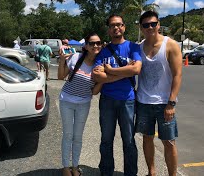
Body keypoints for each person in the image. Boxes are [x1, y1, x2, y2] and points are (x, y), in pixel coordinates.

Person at [92, 14, 142, 176]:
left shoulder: (133, 47)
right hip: (107, 100)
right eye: (113, 25)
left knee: (128, 141)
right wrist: (124, 72)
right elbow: (97, 76)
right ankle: (106, 172)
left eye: (119, 25)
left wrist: (111, 71)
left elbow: (135, 69)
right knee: (106, 140)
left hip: (127, 100)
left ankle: (131, 173)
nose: (116, 28)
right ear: (108, 29)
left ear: (124, 27)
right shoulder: (103, 51)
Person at [135, 11, 182, 176]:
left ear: (159, 25)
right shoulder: (139, 47)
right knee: (147, 138)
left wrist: (171, 103)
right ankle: (151, 172)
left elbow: (177, 75)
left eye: (153, 24)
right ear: (141, 27)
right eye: (146, 25)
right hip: (143, 101)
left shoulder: (171, 45)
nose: (150, 27)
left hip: (164, 103)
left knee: (169, 142)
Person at [58, 33, 103, 176]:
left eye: (98, 43)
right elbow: (60, 76)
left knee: (78, 136)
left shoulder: (100, 64)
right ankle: (66, 167)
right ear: (86, 46)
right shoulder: (75, 58)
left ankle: (75, 166)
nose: (95, 46)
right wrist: (61, 60)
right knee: (68, 134)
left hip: (84, 103)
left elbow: (94, 92)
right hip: (66, 101)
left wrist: (104, 78)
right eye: (92, 43)